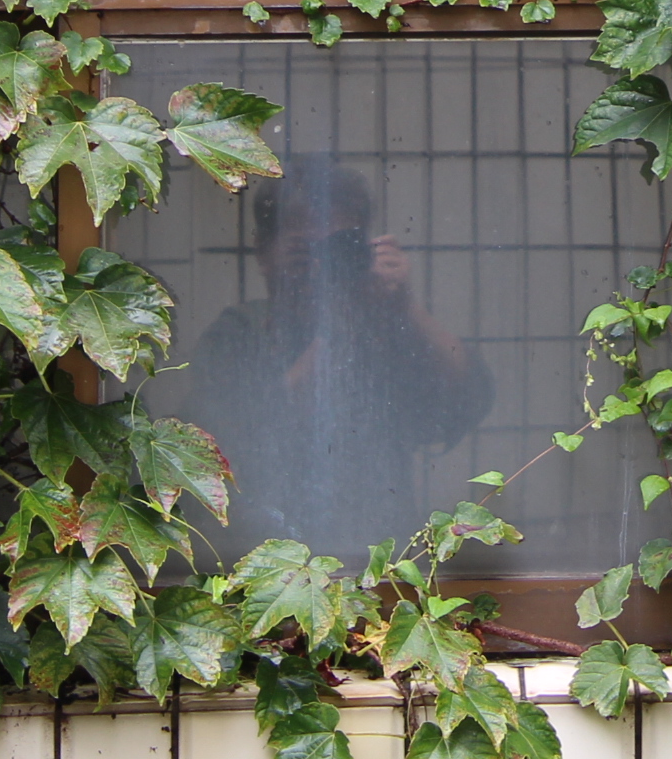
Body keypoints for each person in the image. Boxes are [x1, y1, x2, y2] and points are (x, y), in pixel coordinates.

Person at [187, 158, 495, 558]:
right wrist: (337, 330)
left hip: (383, 558)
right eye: (304, 249)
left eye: (338, 248)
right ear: (264, 254)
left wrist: (405, 308)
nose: (321, 264)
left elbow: (469, 399)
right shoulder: (238, 333)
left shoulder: (383, 329)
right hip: (267, 556)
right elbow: (251, 435)